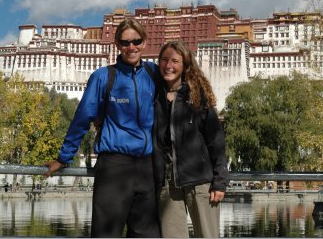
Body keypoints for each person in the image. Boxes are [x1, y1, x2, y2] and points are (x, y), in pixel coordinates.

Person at [44, 18, 160, 238]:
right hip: (114, 166)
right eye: (125, 43)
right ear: (117, 45)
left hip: (147, 167)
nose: (131, 47)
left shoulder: (154, 75)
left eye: (136, 41)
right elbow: (82, 118)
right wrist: (64, 157)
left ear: (144, 42)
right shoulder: (103, 77)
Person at [153, 41, 229, 238]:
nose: (168, 65)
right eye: (164, 60)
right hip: (166, 183)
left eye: (175, 61)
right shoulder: (154, 97)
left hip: (200, 181)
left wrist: (220, 181)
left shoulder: (197, 97)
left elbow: (216, 141)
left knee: (207, 235)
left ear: (185, 66)